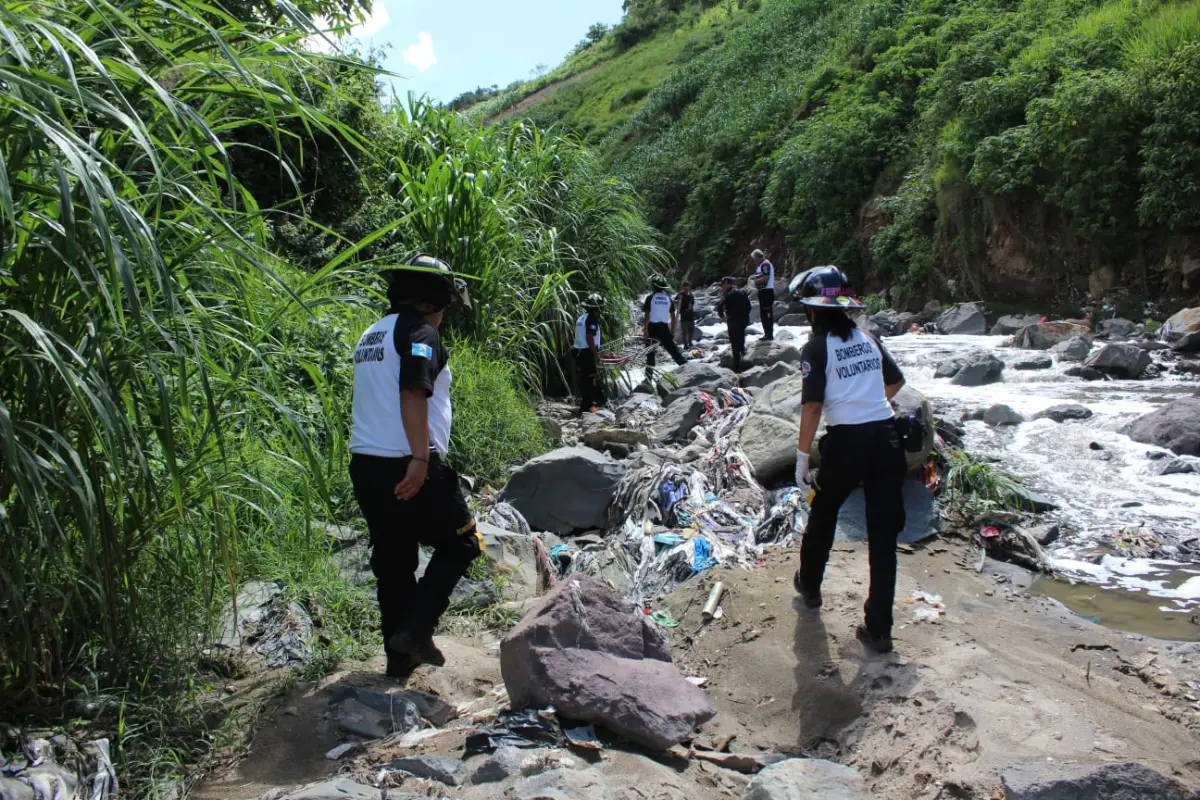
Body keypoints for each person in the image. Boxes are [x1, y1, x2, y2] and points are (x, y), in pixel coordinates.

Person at [348, 254, 482, 678]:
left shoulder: (373, 333)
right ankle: (417, 630)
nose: (445, 313)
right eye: (445, 303)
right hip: (408, 463)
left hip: (366, 465)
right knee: (462, 544)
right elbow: (412, 391)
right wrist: (421, 457)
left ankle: (398, 661)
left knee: (393, 559)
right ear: (434, 299)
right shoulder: (421, 332)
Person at [789, 265, 907, 654]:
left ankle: (810, 589)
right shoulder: (869, 338)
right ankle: (879, 628)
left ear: (812, 311)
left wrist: (803, 457)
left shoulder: (816, 348)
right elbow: (896, 382)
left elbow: (811, 407)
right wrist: (870, 406)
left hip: (846, 445)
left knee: (823, 513)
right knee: (883, 535)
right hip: (887, 441)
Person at [643, 274, 687, 367]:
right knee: (673, 351)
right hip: (664, 328)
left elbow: (647, 316)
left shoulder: (650, 298)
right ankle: (686, 367)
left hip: (652, 328)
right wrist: (672, 332)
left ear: (653, 286)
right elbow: (673, 317)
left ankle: (648, 378)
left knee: (650, 354)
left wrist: (645, 331)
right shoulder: (668, 299)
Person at [573, 293, 606, 415]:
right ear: (596, 309)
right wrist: (595, 354)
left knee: (587, 378)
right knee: (590, 378)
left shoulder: (582, 318)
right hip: (587, 351)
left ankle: (598, 400)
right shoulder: (592, 319)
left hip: (578, 351)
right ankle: (586, 408)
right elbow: (589, 337)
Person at [716, 276, 752, 372]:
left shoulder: (727, 294)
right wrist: (745, 316)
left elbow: (719, 306)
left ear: (727, 284)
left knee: (734, 343)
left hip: (733, 320)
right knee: (741, 335)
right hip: (743, 319)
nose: (722, 287)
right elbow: (749, 307)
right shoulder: (742, 292)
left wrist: (722, 317)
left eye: (723, 285)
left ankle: (736, 367)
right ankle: (743, 351)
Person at [750, 248, 776, 341]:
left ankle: (769, 334)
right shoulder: (761, 265)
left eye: (754, 259)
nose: (754, 261)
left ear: (758, 257)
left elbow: (766, 277)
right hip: (763, 291)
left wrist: (755, 282)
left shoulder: (765, 264)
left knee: (767, 313)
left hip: (767, 291)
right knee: (763, 314)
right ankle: (767, 333)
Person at [675, 281, 696, 348]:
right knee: (684, 331)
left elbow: (693, 302)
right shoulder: (680, 294)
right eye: (686, 286)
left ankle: (690, 342)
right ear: (683, 287)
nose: (688, 288)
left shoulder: (690, 294)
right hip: (684, 315)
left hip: (691, 315)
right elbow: (675, 302)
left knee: (691, 330)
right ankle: (685, 344)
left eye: (689, 286)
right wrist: (681, 305)